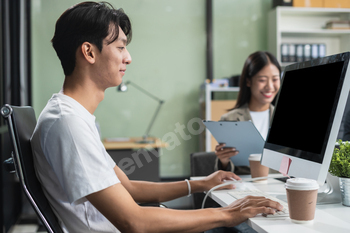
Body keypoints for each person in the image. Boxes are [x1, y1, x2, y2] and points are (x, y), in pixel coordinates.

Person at [30, 2, 283, 232]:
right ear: (89, 52)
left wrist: (200, 184)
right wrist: (228, 214)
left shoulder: (74, 116)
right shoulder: (68, 124)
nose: (128, 57)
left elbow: (128, 189)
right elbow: (134, 222)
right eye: (120, 47)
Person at [214, 51, 281, 173]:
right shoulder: (229, 120)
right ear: (248, 81)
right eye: (262, 80)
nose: (270, 86)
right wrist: (223, 161)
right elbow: (225, 172)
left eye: (275, 79)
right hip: (243, 186)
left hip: (280, 186)